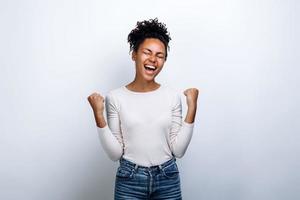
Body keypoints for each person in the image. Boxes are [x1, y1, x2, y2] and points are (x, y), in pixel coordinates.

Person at [87, 18, 199, 200]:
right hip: (129, 179)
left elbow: (178, 150)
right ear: (134, 54)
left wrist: (192, 108)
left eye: (160, 55)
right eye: (147, 52)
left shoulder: (172, 96)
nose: (153, 60)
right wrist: (99, 115)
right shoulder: (116, 97)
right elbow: (115, 154)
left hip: (167, 178)